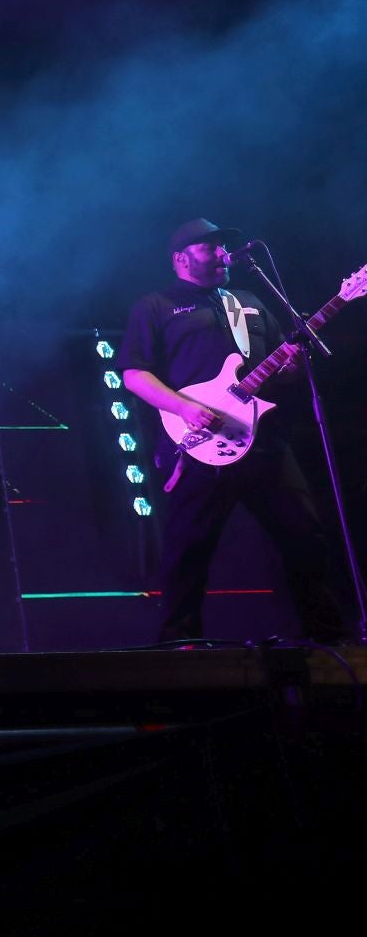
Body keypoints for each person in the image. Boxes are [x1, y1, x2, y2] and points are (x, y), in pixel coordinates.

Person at [121, 217, 348, 645]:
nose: (224, 253)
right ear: (182, 258)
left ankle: (327, 636)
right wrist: (184, 407)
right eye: (212, 247)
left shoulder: (250, 301)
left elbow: (280, 371)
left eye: (225, 247)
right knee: (190, 547)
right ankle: (179, 640)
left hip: (263, 441)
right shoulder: (156, 305)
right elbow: (135, 374)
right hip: (199, 446)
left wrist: (292, 367)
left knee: (304, 535)